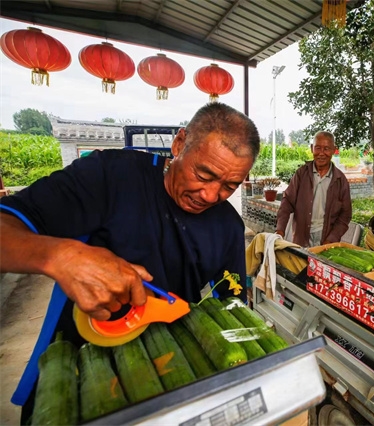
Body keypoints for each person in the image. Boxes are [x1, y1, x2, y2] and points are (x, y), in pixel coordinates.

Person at [0, 102, 260, 412]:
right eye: (203, 175)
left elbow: (230, 308)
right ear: (179, 144)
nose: (210, 195)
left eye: (229, 186)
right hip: (77, 369)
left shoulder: (229, 226)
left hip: (174, 369)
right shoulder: (110, 175)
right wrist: (59, 255)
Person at [275, 131, 352, 247]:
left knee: (320, 265)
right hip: (301, 238)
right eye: (318, 148)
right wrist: (280, 230)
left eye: (326, 148)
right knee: (301, 264)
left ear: (333, 150)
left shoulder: (340, 180)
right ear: (312, 148)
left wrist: (331, 240)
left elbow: (345, 215)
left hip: (326, 239)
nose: (321, 153)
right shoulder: (301, 174)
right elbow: (287, 202)